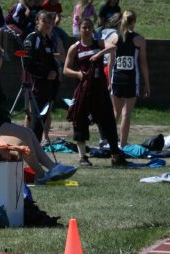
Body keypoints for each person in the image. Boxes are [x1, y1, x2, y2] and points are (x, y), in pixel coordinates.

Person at [0, 39, 76, 184]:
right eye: (1, 59)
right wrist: (6, 120)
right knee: (24, 136)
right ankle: (42, 174)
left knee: (27, 132)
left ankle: (51, 168)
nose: (2, 63)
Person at [63, 17, 124, 167]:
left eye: (90, 27)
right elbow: (65, 69)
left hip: (100, 89)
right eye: (84, 27)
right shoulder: (75, 47)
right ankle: (83, 157)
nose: (87, 30)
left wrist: (99, 54)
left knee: (108, 121)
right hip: (84, 90)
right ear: (80, 29)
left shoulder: (99, 43)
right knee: (80, 121)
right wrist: (77, 74)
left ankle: (115, 154)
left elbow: (113, 47)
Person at [105, 10, 148, 147]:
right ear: (133, 22)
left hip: (116, 78)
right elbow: (143, 63)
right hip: (131, 79)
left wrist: (109, 81)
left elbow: (110, 64)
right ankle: (122, 145)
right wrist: (147, 84)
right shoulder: (139, 40)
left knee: (115, 112)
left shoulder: (113, 39)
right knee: (126, 114)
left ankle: (108, 141)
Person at [22, 11, 63, 142]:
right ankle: (32, 151)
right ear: (37, 22)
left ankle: (37, 150)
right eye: (44, 20)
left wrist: (55, 76)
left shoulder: (48, 40)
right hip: (36, 87)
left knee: (43, 118)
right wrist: (45, 74)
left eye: (50, 21)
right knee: (35, 119)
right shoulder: (32, 38)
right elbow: (27, 62)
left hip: (48, 88)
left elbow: (50, 62)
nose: (48, 24)